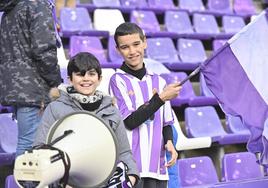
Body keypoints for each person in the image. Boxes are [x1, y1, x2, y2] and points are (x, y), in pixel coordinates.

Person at [34, 52, 139, 187]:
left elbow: (124, 152)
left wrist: (131, 177)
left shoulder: (112, 111)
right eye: (79, 74)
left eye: (91, 74)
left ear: (99, 78)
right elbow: (40, 148)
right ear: (70, 79)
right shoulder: (54, 108)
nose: (86, 79)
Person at [109, 22, 182, 188]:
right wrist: (161, 98)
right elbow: (130, 121)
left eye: (136, 44)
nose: (132, 51)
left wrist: (169, 141)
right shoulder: (117, 80)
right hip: (132, 170)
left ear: (144, 42)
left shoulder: (159, 80)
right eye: (125, 47)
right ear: (118, 50)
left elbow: (166, 122)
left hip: (158, 166)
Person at [0, 0, 62, 156]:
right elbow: (44, 51)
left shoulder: (12, 7)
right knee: (31, 146)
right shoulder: (38, 5)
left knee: (27, 143)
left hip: (16, 86)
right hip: (34, 87)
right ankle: (26, 181)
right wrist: (55, 81)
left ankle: (23, 180)